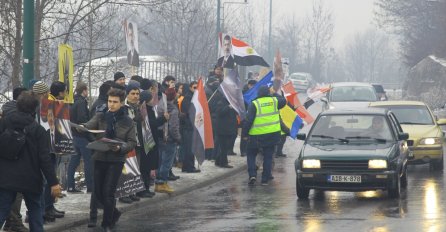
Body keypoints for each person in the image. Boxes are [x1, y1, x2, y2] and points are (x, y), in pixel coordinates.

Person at [0, 91, 62, 232]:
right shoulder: (38, 130)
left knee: (2, 210)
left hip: (6, 177)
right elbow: (44, 159)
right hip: (31, 178)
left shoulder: (4, 122)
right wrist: (54, 183)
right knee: (35, 211)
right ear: (35, 109)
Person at [84, 88, 137, 231]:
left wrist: (121, 148)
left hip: (116, 159)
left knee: (108, 192)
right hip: (99, 157)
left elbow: (132, 142)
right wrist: (80, 128)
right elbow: (88, 126)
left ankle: (106, 223)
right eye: (109, 101)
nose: (111, 105)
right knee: (98, 192)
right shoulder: (101, 116)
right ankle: (115, 213)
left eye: (115, 102)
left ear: (121, 103)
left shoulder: (128, 121)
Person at [242, 86, 286, 186]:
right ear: (268, 92)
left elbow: (249, 121)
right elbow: (284, 100)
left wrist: (245, 134)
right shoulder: (275, 101)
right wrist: (274, 93)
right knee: (268, 157)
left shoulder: (254, 103)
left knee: (251, 154)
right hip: (272, 135)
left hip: (256, 135)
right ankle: (265, 179)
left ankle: (252, 175)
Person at [1, 87, 28, 232]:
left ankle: (12, 221)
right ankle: (14, 221)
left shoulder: (7, 111)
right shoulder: (17, 115)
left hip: (8, 159)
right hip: (13, 159)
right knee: (15, 194)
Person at [68, 82, 93, 193]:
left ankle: (70, 186)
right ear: (84, 90)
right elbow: (82, 119)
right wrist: (90, 134)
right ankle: (90, 187)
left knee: (73, 162)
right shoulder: (82, 103)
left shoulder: (72, 101)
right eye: (87, 90)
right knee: (88, 161)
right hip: (82, 137)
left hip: (74, 136)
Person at [155, 88, 181, 193]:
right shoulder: (173, 110)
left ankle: (158, 182)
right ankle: (162, 183)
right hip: (169, 139)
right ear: (174, 96)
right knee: (167, 163)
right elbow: (173, 128)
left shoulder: (160, 107)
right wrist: (178, 138)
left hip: (160, 137)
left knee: (160, 161)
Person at [180, 81, 201, 173]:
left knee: (190, 148)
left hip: (191, 126)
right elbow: (189, 112)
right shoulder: (188, 98)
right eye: (194, 87)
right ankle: (189, 167)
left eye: (197, 88)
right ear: (190, 88)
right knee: (189, 148)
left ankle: (187, 166)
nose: (196, 89)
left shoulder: (193, 98)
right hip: (188, 127)